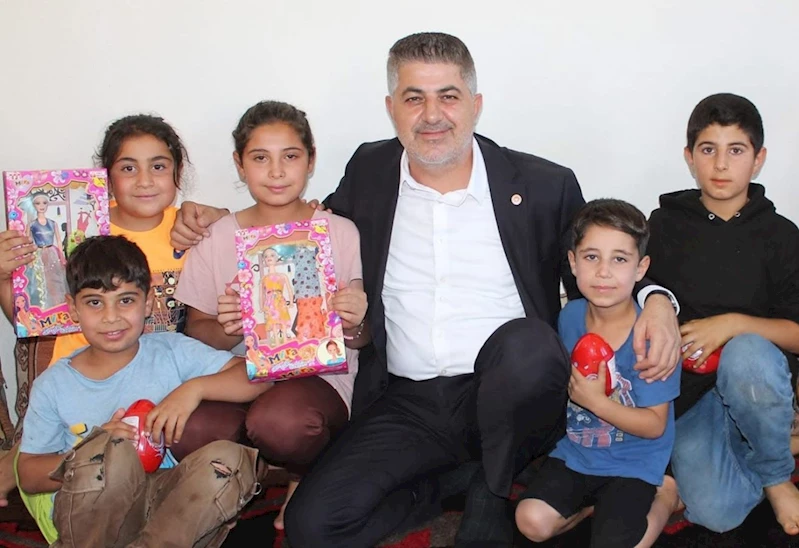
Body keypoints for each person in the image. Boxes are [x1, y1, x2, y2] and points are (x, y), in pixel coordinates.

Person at [170, 32, 681, 547]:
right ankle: (449, 485)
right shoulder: (369, 171)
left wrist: (657, 299)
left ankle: (490, 491)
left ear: (476, 105)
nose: (432, 115)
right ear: (391, 108)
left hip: (512, 391)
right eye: (414, 98)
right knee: (313, 526)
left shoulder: (543, 184)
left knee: (525, 342)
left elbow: (604, 256)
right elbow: (308, 225)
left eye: (448, 96)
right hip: (410, 399)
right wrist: (223, 219)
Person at [173, 100, 368, 530]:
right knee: (189, 429)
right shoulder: (216, 237)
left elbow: (363, 337)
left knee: (282, 423)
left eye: (290, 156)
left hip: (317, 377)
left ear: (311, 160)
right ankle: (250, 474)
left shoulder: (338, 232)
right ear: (239, 165)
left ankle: (303, 472)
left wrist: (354, 321)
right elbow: (196, 330)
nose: (276, 172)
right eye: (260, 158)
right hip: (239, 373)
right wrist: (230, 329)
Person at [15, 235, 268, 546]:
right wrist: (89, 452)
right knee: (110, 452)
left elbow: (258, 376)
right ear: (73, 309)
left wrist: (194, 389)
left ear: (147, 303)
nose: (111, 317)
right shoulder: (54, 384)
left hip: (166, 507)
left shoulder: (171, 351)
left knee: (230, 460)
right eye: (95, 302)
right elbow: (29, 475)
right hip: (93, 518)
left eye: (126, 300)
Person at [0, 113, 193, 508]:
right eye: (128, 168)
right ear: (106, 177)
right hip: (82, 381)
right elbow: (33, 314)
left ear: (178, 173)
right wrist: (5, 276)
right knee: (34, 468)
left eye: (158, 166)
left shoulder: (190, 228)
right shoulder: (82, 228)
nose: (144, 180)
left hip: (155, 379)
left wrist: (215, 215)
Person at [646, 93, 799, 535]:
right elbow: (638, 287)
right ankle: (773, 446)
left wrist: (733, 325)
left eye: (736, 150)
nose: (720, 164)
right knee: (717, 514)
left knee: (746, 351)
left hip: (758, 384)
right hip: (692, 395)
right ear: (689, 157)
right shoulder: (663, 226)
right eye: (708, 149)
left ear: (758, 159)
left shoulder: (781, 236)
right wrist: (655, 301)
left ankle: (776, 475)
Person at [515, 199, 681, 548]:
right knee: (530, 521)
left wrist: (596, 402)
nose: (604, 272)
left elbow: (655, 425)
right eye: (592, 257)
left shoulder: (653, 337)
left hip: (636, 461)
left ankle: (666, 496)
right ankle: (591, 507)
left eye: (619, 259)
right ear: (573, 262)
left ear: (641, 268)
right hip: (578, 452)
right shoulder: (570, 316)